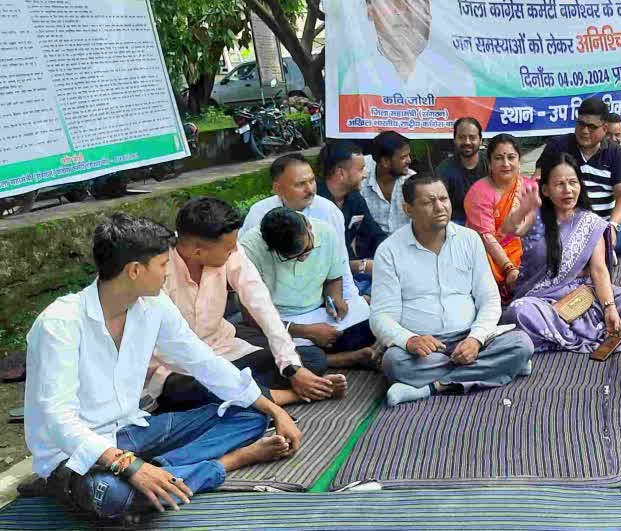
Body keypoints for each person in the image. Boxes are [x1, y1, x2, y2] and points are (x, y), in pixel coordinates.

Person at [24, 214, 301, 523]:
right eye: (163, 266)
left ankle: (161, 471)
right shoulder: (59, 324)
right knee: (111, 495)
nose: (168, 274)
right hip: (75, 453)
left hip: (132, 430)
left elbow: (202, 361)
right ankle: (226, 462)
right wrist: (129, 466)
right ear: (134, 271)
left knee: (252, 415)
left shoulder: (153, 306)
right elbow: (58, 420)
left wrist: (275, 411)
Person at [148, 198, 345, 412]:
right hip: (177, 367)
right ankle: (286, 396)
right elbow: (173, 347)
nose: (235, 252)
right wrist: (226, 376)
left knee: (311, 359)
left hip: (224, 348)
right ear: (198, 253)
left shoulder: (230, 250)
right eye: (229, 249)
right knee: (188, 391)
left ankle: (247, 396)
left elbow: (261, 304)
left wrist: (291, 368)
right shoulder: (156, 268)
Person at [369, 175, 535, 405]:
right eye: (428, 202)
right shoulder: (389, 251)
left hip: (469, 336)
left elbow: (489, 299)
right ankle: (498, 367)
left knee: (521, 343)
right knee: (394, 362)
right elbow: (380, 315)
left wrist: (475, 340)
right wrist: (409, 340)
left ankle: (432, 387)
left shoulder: (469, 240)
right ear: (408, 209)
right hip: (424, 348)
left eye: (443, 199)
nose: (440, 207)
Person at [502, 152, 621, 353]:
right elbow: (510, 228)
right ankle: (580, 332)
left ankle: (560, 334)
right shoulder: (535, 216)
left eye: (573, 182)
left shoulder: (591, 222)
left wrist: (609, 308)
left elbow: (599, 270)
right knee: (518, 312)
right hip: (541, 300)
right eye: (560, 184)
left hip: (583, 296)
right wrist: (523, 210)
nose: (568, 190)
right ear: (546, 190)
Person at [240, 208, 378, 370]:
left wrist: (334, 298)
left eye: (308, 249)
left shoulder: (326, 232)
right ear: (270, 248)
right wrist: (305, 331)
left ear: (309, 227)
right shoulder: (248, 250)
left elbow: (333, 278)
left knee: (370, 323)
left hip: (319, 313)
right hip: (277, 319)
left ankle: (315, 355)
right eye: (292, 257)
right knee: (251, 346)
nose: (303, 258)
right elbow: (251, 316)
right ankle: (336, 359)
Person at [240, 154, 368, 317]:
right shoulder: (258, 214)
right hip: (273, 310)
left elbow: (339, 266)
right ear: (278, 188)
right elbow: (246, 271)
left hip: (318, 306)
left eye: (312, 181)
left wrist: (344, 300)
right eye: (300, 184)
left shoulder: (328, 212)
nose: (310, 189)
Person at [348, 0, 470, 97]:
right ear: (370, 10)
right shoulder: (357, 78)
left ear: (429, 11)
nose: (401, 9)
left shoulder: (458, 77)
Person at [539, 97, 621, 254]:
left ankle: (590, 249)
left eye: (591, 127)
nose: (584, 131)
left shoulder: (616, 152)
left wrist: (613, 226)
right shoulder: (557, 146)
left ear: (605, 128)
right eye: (580, 124)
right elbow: (538, 181)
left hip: (603, 223)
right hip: (564, 223)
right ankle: (596, 250)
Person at [465, 134, 537, 297]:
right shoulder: (479, 192)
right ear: (490, 163)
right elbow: (486, 238)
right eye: (498, 158)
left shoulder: (530, 187)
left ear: (519, 160)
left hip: (525, 250)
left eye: (511, 157)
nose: (506, 164)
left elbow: (536, 230)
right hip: (489, 253)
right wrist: (509, 267)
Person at [317, 141, 389, 296]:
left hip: (354, 273)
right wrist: (361, 266)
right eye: (361, 169)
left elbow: (375, 234)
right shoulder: (315, 204)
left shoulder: (355, 198)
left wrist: (391, 255)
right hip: (327, 284)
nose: (365, 174)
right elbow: (319, 262)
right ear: (341, 173)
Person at [435, 117, 488, 226]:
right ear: (454, 140)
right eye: (462, 137)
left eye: (472, 137)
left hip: (489, 217)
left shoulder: (491, 163)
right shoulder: (444, 169)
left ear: (480, 139)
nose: (467, 142)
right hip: (457, 222)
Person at [361, 131, 415, 234]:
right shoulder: (361, 174)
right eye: (403, 157)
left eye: (408, 155)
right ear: (385, 161)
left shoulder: (412, 181)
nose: (409, 160)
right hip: (369, 244)